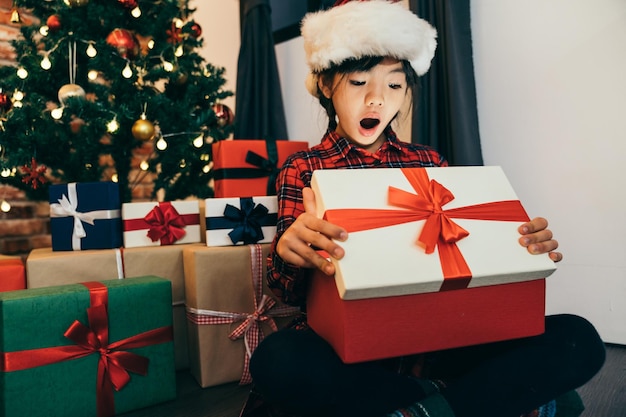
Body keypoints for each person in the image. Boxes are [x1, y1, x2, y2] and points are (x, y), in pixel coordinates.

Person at [248, 1, 606, 417]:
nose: (378, 99)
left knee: (579, 338)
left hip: (441, 341)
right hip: (349, 348)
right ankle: (477, 400)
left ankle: (425, 405)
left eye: (395, 86)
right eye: (359, 81)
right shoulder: (302, 168)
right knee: (277, 359)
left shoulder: (430, 163)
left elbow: (460, 262)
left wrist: (518, 244)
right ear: (327, 86)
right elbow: (285, 289)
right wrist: (290, 252)